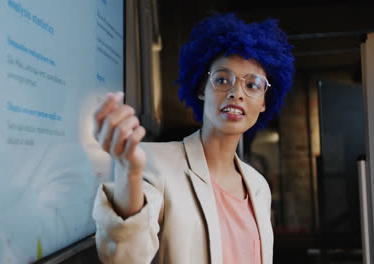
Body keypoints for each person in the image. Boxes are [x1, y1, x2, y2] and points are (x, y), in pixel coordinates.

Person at [91, 13, 294, 264]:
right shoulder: (154, 163)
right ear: (201, 89)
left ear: (264, 102)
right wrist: (129, 172)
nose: (236, 93)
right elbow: (122, 258)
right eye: (222, 79)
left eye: (252, 85)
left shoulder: (259, 186)